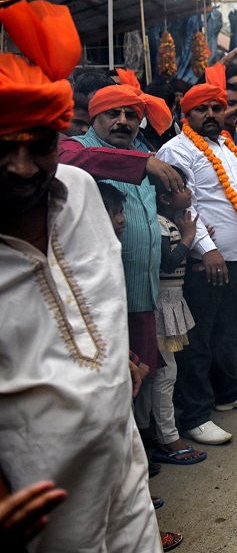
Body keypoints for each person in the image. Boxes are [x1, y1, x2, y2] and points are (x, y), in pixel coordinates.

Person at [0, 0, 162, 553]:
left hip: (122, 471)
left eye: (38, 146)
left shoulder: (80, 193)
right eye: (3, 150)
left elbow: (97, 293)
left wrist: (114, 358)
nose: (23, 167)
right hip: (34, 503)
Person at [156, 82, 237, 446]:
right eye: (200, 109)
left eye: (215, 108)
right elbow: (181, 204)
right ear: (184, 114)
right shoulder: (177, 149)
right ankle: (195, 414)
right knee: (199, 339)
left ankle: (229, 391)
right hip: (206, 261)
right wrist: (207, 249)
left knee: (231, 328)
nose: (210, 115)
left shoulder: (227, 146)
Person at [74, 80, 175, 446]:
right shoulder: (78, 150)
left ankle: (142, 448)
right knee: (111, 381)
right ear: (93, 117)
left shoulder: (143, 152)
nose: (123, 121)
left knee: (142, 375)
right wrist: (141, 162)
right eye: (113, 113)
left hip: (141, 289)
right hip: (97, 298)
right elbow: (72, 161)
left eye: (131, 115)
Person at [151, 167, 206, 465]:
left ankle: (158, 433)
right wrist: (188, 237)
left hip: (172, 301)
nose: (189, 192)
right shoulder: (159, 224)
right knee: (165, 373)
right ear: (164, 198)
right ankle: (168, 437)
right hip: (162, 304)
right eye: (182, 188)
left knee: (165, 372)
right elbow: (168, 263)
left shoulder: (168, 222)